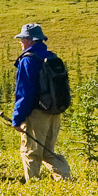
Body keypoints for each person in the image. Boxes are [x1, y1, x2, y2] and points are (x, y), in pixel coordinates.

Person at [12, 23, 73, 182]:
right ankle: (66, 181)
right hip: (53, 112)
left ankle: (34, 191)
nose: (20, 42)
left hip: (36, 115)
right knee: (47, 152)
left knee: (30, 153)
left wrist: (17, 119)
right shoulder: (51, 57)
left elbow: (24, 93)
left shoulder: (28, 60)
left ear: (30, 40)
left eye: (22, 38)